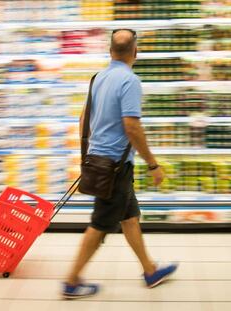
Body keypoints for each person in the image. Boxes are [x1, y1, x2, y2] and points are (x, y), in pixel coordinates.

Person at [62, 29, 178, 299]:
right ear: (135, 52)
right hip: (115, 166)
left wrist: (90, 155)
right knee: (100, 224)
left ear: (110, 51)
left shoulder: (98, 78)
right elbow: (132, 127)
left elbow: (83, 119)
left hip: (103, 161)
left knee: (129, 217)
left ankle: (150, 270)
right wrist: (153, 164)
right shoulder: (130, 80)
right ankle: (71, 280)